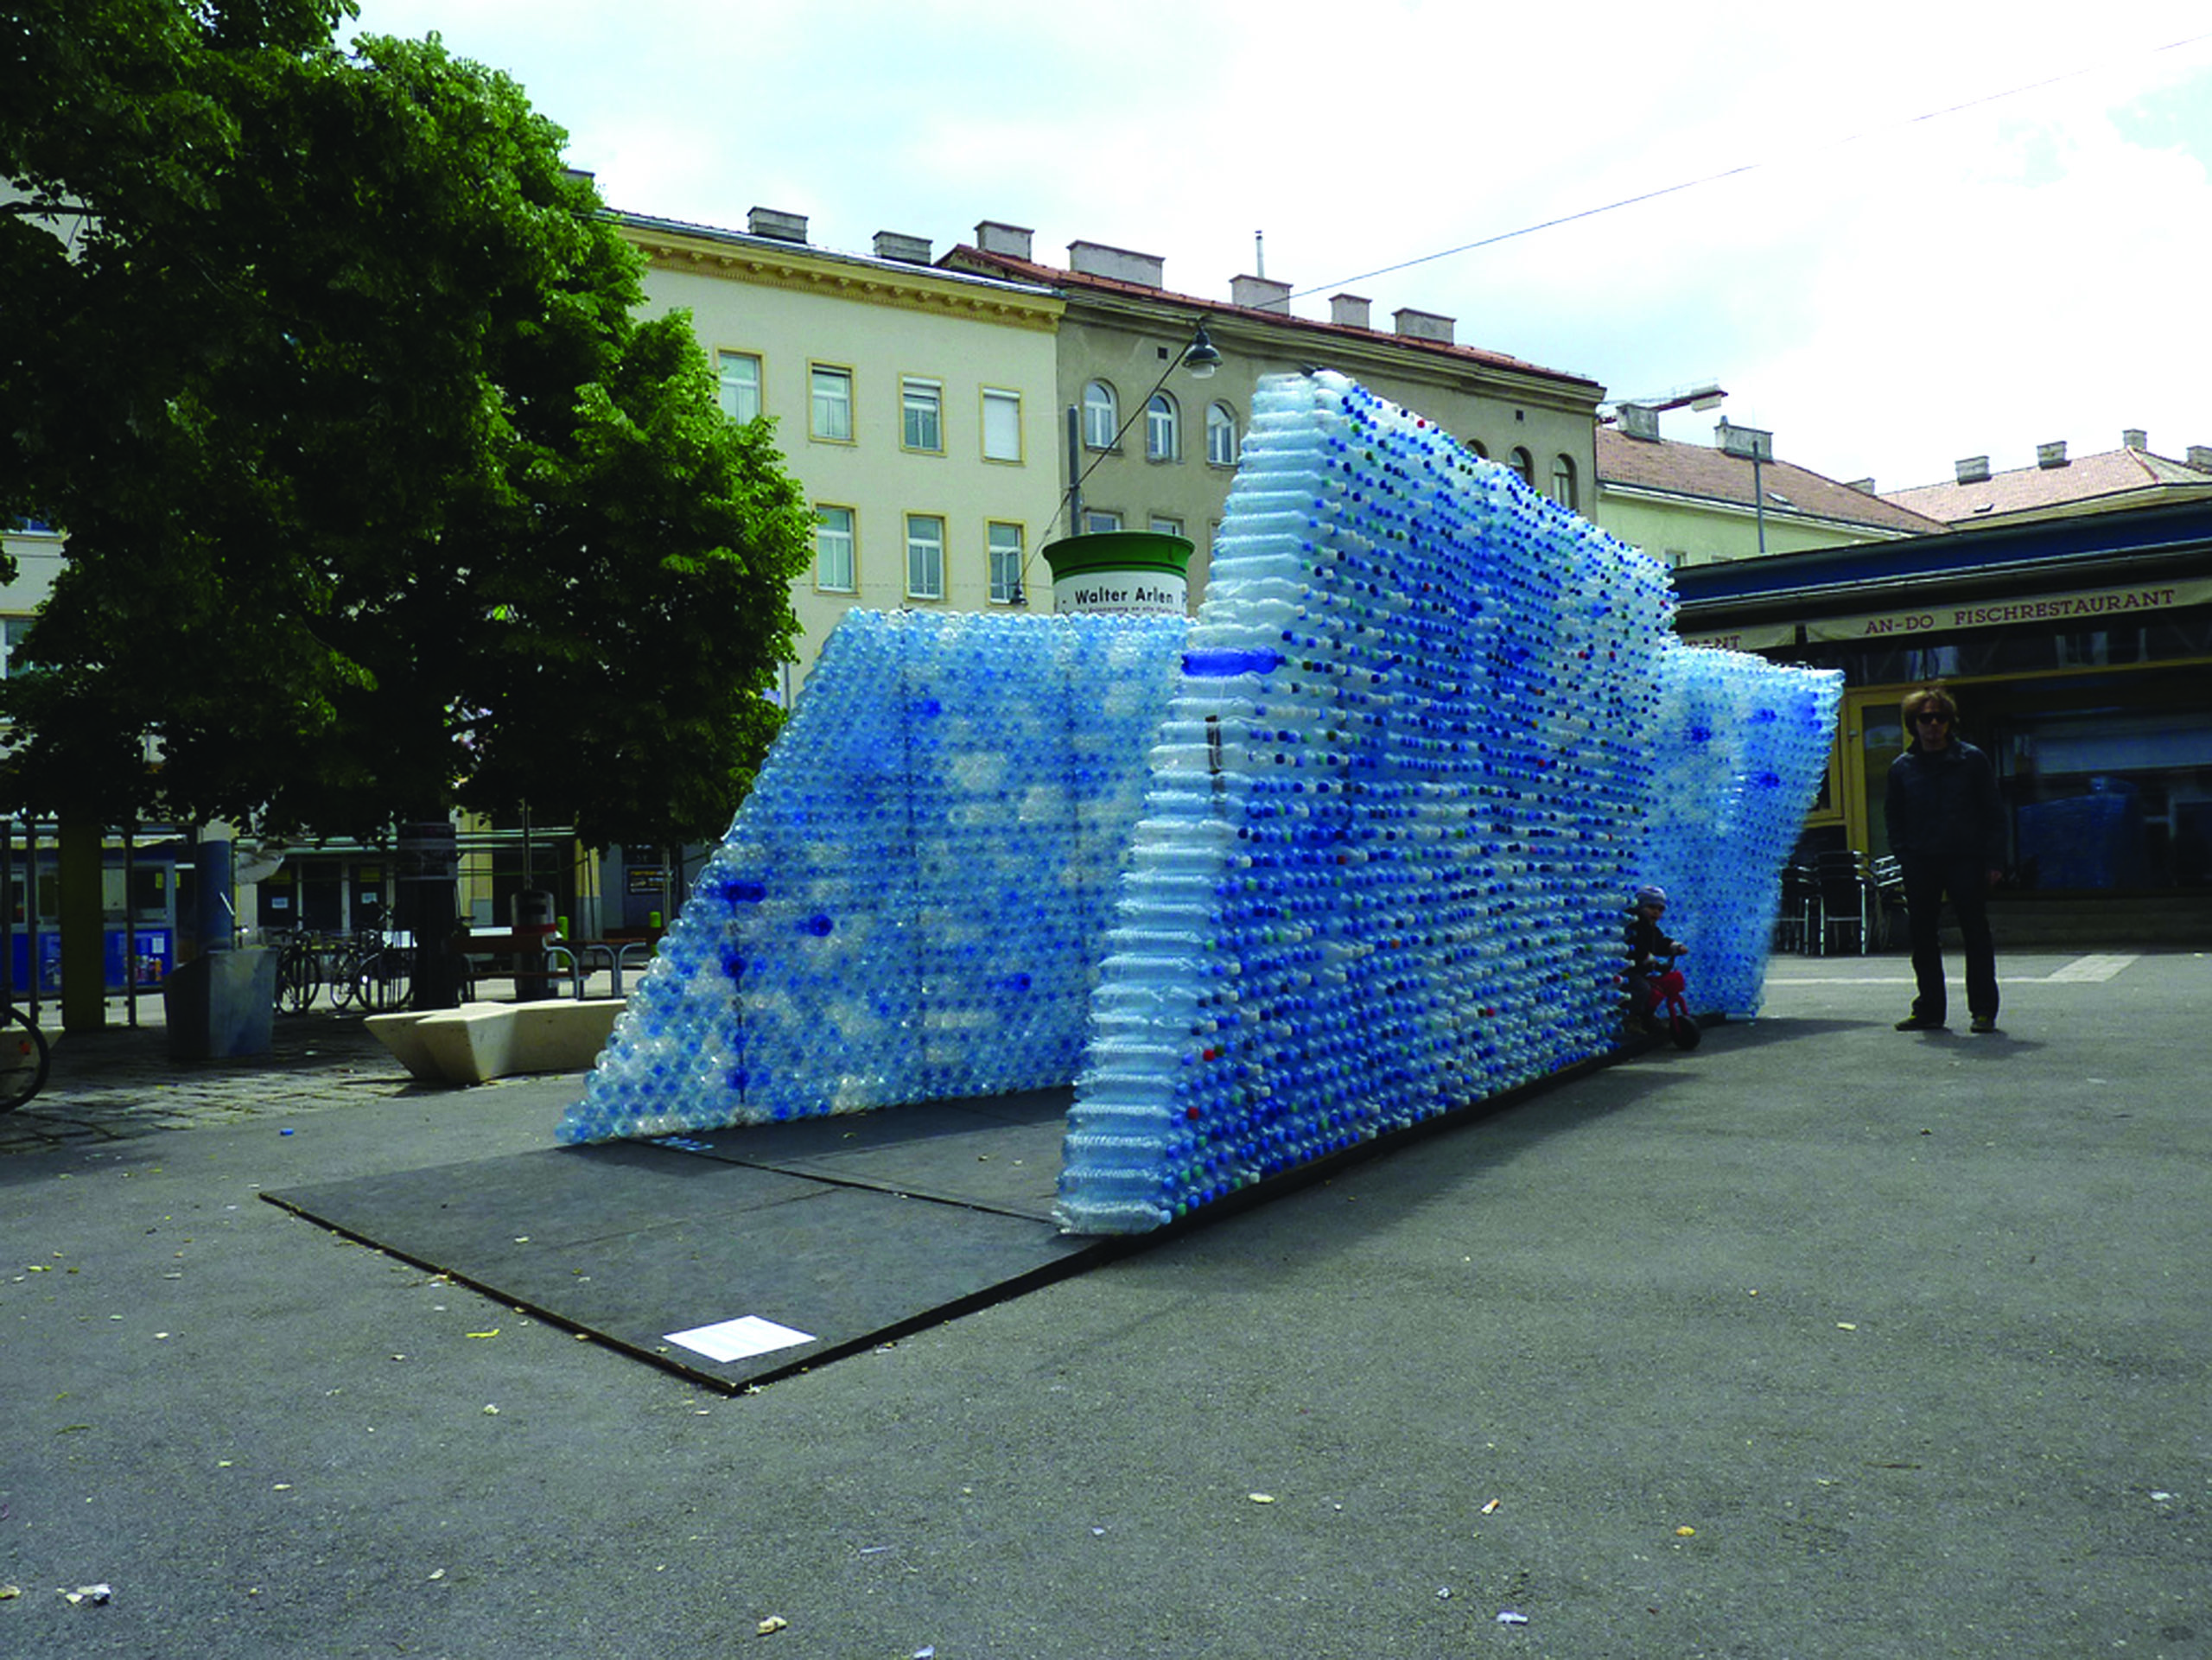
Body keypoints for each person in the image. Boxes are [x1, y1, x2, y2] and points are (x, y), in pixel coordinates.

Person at [1883, 684, 2005, 1034]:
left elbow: (1993, 812)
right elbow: (1893, 815)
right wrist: (1903, 853)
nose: (1933, 724)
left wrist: (1994, 861)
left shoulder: (1972, 760)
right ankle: (1929, 1010)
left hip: (1966, 858)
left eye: (1940, 717)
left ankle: (1983, 1010)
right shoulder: (1901, 768)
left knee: (1975, 935)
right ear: (1913, 723)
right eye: (1925, 718)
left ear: (1950, 722)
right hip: (1921, 861)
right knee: (1922, 937)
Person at [1623, 884, 1687, 1031]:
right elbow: (1635, 946)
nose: (1656, 912)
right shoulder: (1635, 926)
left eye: (1660, 909)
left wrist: (1674, 947)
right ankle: (1632, 1018)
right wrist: (1646, 957)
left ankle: (1647, 1015)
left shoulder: (1651, 928)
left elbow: (1659, 942)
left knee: (1657, 988)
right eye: (1651, 907)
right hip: (1629, 968)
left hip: (1641, 969)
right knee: (1642, 989)